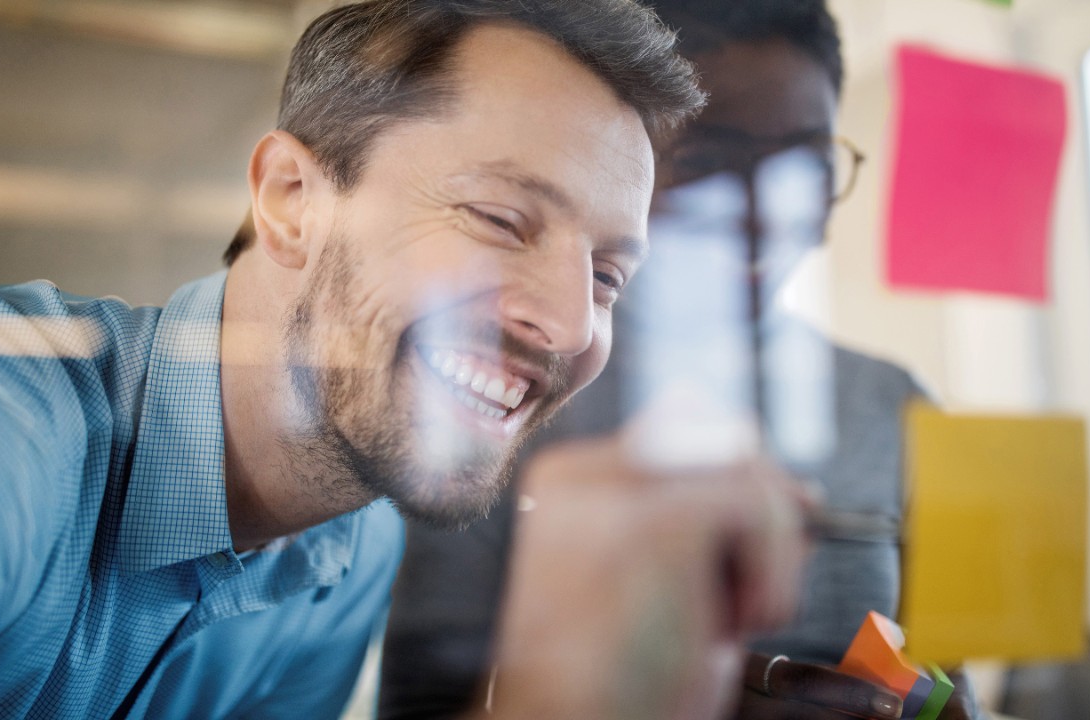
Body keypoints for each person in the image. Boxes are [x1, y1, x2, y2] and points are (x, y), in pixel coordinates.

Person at [0, 1, 814, 718]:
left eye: (608, 275)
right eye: (499, 219)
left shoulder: (349, 537)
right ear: (292, 198)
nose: (571, 324)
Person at [379, 1, 983, 719]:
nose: (762, 214)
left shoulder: (893, 405)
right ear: (624, 173)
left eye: (807, 167)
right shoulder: (510, 391)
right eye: (708, 162)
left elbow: (947, 685)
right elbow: (420, 704)